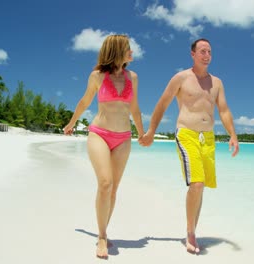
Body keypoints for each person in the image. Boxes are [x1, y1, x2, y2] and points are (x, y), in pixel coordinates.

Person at [140, 38, 239, 254]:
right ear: (192, 54)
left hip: (208, 138)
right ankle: (190, 232)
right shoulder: (181, 78)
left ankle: (193, 229)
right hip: (186, 134)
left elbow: (223, 110)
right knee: (196, 184)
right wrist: (151, 132)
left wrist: (233, 134)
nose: (207, 55)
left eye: (209, 51)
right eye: (202, 51)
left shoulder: (217, 83)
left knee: (201, 186)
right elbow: (162, 103)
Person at [63, 34, 145, 259]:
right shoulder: (98, 76)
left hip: (124, 137)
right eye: (128, 49)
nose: (132, 53)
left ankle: (104, 231)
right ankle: (101, 236)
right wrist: (71, 123)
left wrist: (142, 133)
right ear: (117, 50)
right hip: (99, 134)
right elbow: (84, 101)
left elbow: (135, 109)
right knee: (105, 183)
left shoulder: (133, 77)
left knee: (114, 188)